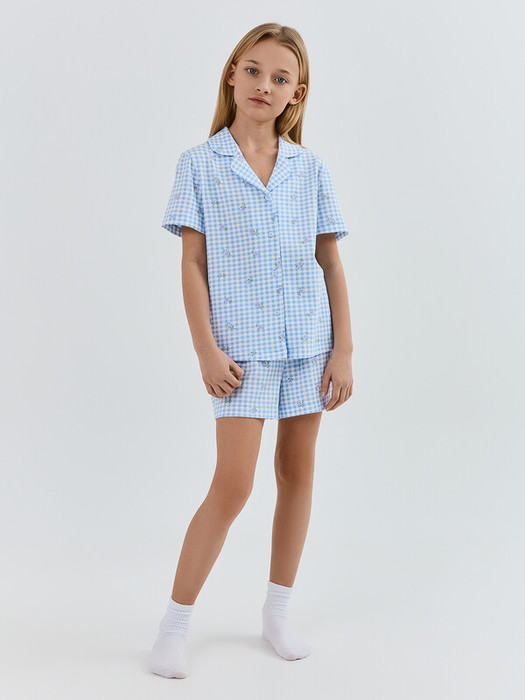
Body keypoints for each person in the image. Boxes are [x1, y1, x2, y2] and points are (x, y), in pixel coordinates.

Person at [149, 22, 354, 679]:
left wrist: (343, 350)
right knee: (233, 484)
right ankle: (173, 626)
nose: (265, 84)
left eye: (280, 77)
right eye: (254, 70)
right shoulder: (199, 165)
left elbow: (330, 262)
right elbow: (191, 264)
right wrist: (205, 350)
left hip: (308, 343)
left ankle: (277, 613)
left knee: (297, 474)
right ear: (232, 76)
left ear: (298, 93)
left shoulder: (310, 169)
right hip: (240, 351)